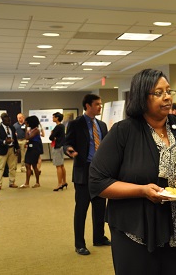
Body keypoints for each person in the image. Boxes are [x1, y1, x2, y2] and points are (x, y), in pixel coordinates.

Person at [89, 69, 176, 275]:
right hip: (137, 232)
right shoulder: (123, 132)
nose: (167, 97)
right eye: (158, 93)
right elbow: (98, 181)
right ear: (142, 97)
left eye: (168, 91)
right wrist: (141, 190)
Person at [64, 93, 110, 256]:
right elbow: (67, 143)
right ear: (88, 106)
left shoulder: (102, 125)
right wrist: (69, 150)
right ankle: (79, 244)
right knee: (82, 209)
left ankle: (99, 237)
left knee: (99, 207)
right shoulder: (76, 124)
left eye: (100, 104)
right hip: (83, 171)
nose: (100, 106)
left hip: (100, 171)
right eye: (97, 104)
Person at [0, 112, 19, 189]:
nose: (9, 123)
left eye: (9, 121)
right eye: (7, 121)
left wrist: (17, 148)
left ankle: (12, 182)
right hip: (2, 150)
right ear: (3, 121)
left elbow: (15, 138)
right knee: (0, 168)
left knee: (12, 167)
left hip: (12, 149)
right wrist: (5, 142)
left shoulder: (12, 127)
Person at [19, 115, 42, 188]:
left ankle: (37, 182)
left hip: (35, 149)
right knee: (27, 165)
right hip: (31, 148)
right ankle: (27, 183)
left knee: (34, 165)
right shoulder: (32, 130)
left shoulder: (36, 130)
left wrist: (25, 129)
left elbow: (27, 137)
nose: (26, 124)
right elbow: (30, 139)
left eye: (27, 123)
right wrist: (27, 143)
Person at [50, 112, 67, 192]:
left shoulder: (57, 127)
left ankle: (60, 183)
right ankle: (64, 181)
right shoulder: (62, 126)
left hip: (57, 147)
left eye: (53, 117)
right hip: (61, 146)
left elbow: (51, 137)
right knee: (62, 165)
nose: (52, 118)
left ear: (57, 118)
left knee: (58, 166)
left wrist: (52, 134)